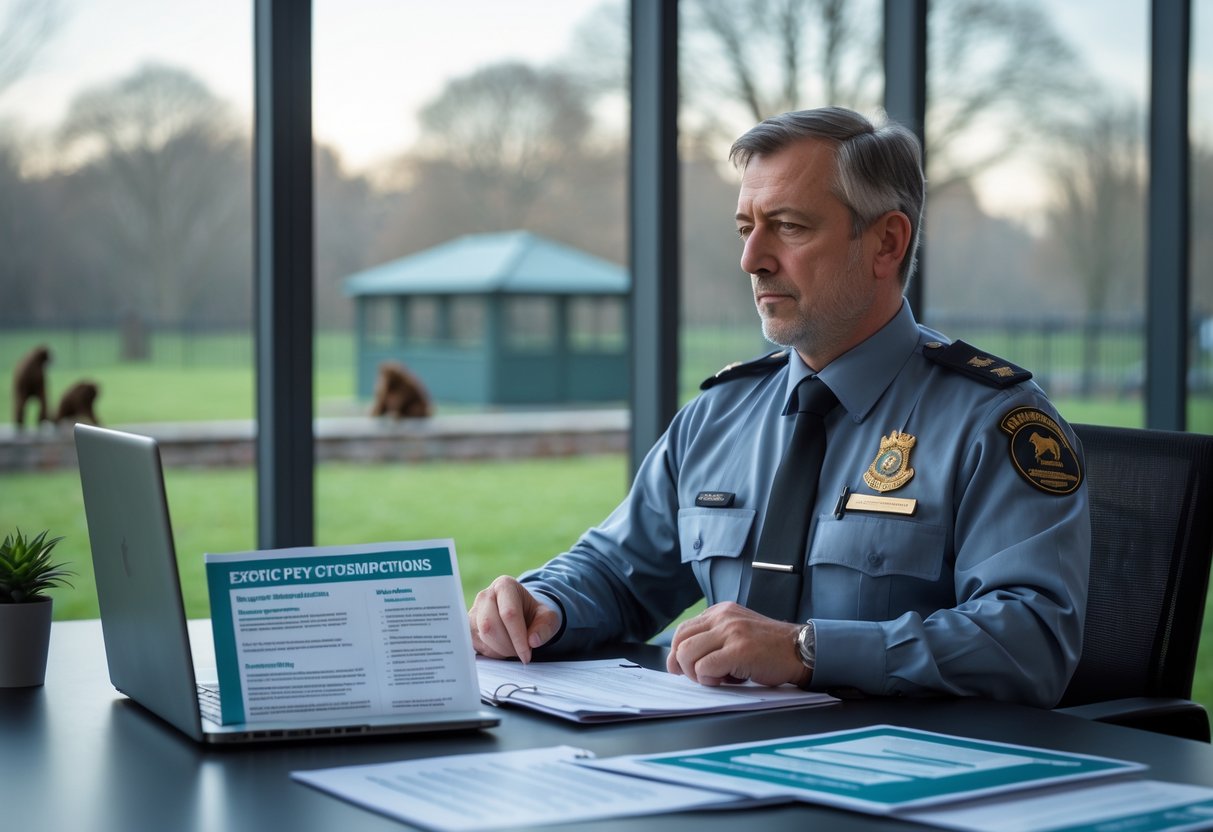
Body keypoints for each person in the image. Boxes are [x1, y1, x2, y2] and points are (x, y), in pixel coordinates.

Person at [468, 106, 1090, 709]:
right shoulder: (719, 415)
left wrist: (808, 650)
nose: (752, 260)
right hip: (714, 767)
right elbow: (617, 569)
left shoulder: (994, 421)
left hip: (891, 782)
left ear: (886, 243)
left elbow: (1032, 639)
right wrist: (544, 603)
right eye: (746, 228)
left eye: (789, 226)